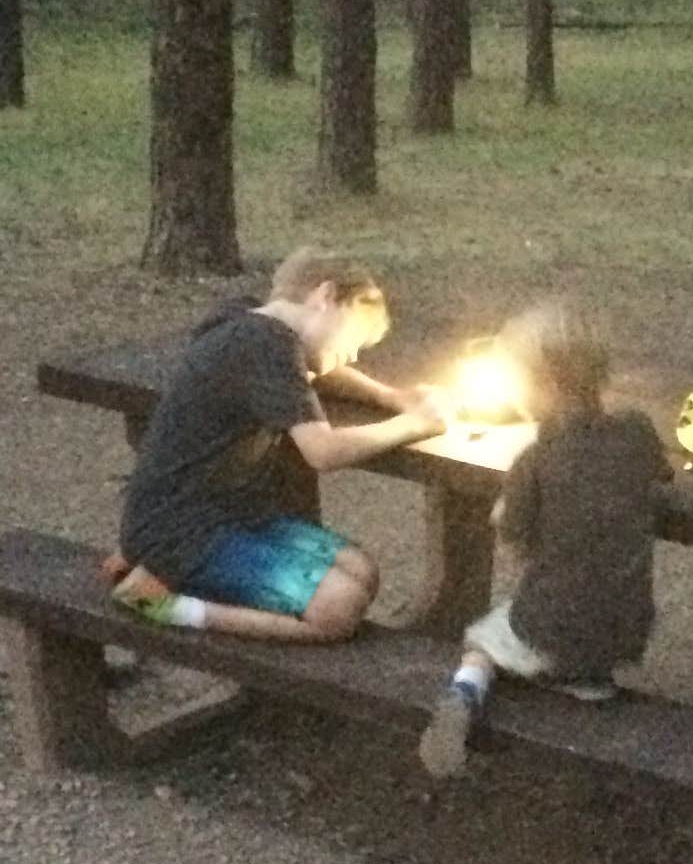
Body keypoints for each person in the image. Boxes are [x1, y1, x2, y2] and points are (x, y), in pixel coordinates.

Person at [108, 249, 445, 643]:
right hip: (179, 531)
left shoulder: (251, 322)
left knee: (362, 571)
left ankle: (163, 575)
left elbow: (317, 371)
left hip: (233, 513)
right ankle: (160, 602)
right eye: (355, 338)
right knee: (338, 607)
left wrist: (391, 396)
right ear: (326, 296)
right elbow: (323, 451)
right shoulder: (264, 343)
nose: (353, 355)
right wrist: (413, 424)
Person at [418, 306, 665, 778]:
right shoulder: (637, 432)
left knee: (482, 638)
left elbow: (514, 537)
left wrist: (504, 513)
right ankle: (585, 681)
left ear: (545, 385)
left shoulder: (535, 458)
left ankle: (465, 693)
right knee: (589, 602)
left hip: (551, 623)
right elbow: (659, 474)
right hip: (629, 627)